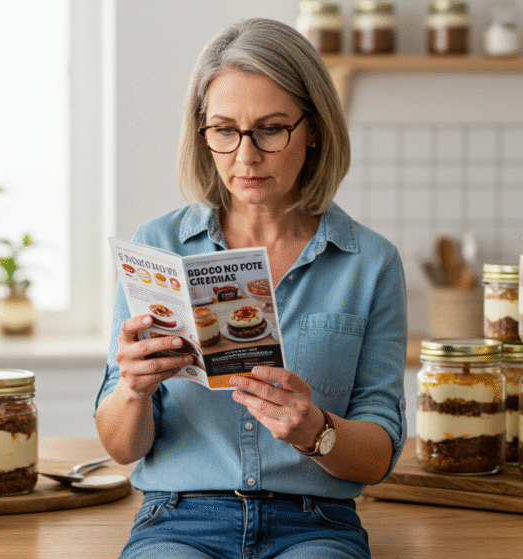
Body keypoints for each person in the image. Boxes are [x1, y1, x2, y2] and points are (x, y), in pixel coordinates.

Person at [94, 17, 408, 559]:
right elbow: (122, 448)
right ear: (203, 131)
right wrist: (133, 389)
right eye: (223, 130)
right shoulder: (158, 247)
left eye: (270, 128)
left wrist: (314, 430)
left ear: (313, 129)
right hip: (179, 518)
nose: (245, 157)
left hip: (315, 524)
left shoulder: (370, 264)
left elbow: (377, 455)